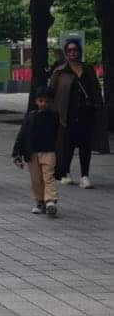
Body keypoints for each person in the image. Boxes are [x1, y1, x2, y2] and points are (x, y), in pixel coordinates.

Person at [49, 38, 107, 188]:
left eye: (75, 50)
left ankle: (84, 175)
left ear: (79, 52)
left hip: (86, 113)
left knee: (85, 145)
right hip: (67, 114)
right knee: (67, 145)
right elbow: (52, 93)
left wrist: (98, 107)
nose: (72, 53)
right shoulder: (60, 71)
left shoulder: (88, 70)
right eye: (69, 50)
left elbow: (95, 90)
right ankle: (66, 172)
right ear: (65, 53)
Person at [13, 84, 60, 218]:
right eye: (41, 101)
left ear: (51, 102)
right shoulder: (31, 116)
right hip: (32, 153)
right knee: (36, 179)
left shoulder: (54, 116)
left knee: (48, 177)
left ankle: (50, 201)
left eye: (47, 101)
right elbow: (22, 135)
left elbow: (60, 136)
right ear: (36, 101)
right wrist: (16, 153)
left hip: (49, 151)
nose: (44, 104)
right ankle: (40, 202)